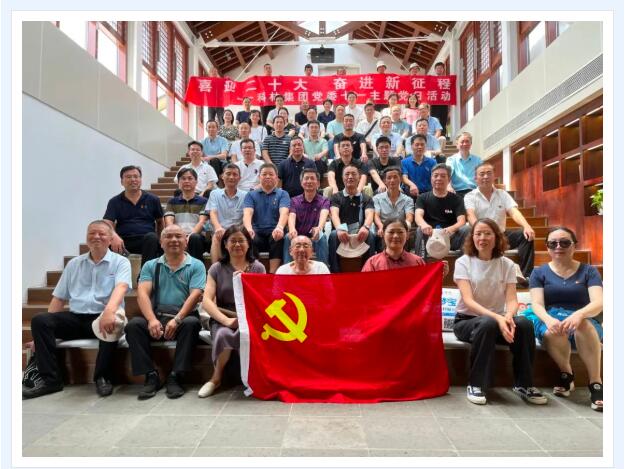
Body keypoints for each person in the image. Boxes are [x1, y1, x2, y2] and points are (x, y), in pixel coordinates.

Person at [23, 221, 131, 399]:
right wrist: (40, 337)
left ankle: (103, 377)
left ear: (111, 239)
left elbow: (121, 288)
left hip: (103, 316)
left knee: (112, 324)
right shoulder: (74, 264)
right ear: (86, 238)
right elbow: (59, 298)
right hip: (76, 318)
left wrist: (109, 312)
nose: (96, 237)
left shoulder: (121, 262)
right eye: (92, 233)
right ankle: (51, 380)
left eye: (101, 234)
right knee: (40, 320)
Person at [453, 218, 547, 406]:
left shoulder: (507, 264)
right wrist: (498, 318)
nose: (482, 238)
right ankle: (476, 384)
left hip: (497, 322)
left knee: (524, 324)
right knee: (487, 323)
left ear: (497, 237)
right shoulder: (463, 262)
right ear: (472, 238)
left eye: (488, 233)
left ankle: (524, 384)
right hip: (467, 321)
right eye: (478, 234)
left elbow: (512, 300)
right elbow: (469, 301)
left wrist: (508, 317)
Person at [524, 227, 603, 411]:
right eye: (553, 243)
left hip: (585, 321)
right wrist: (547, 319)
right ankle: (566, 374)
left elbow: (599, 302)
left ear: (574, 246)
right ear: (548, 248)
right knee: (553, 329)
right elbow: (537, 304)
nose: (558, 247)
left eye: (565, 242)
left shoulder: (589, 271)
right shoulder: (539, 273)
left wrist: (580, 314)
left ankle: (596, 383)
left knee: (582, 324)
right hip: (552, 320)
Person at [124, 224, 205, 400]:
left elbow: (195, 295)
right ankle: (150, 375)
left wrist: (177, 319)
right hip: (158, 316)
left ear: (186, 241)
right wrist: (152, 320)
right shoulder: (151, 265)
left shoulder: (196, 265)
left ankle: (176, 376)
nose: (174, 240)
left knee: (192, 324)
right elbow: (142, 294)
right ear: (161, 243)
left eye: (178, 236)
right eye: (168, 236)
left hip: (183, 317)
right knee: (133, 326)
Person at [198, 225, 266, 398]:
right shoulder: (216, 268)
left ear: (248, 244)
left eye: (241, 240)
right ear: (225, 245)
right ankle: (216, 378)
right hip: (224, 316)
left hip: (250, 316)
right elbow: (207, 300)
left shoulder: (258, 268)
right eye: (232, 241)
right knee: (223, 334)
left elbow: (262, 298)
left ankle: (260, 377)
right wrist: (226, 321)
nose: (237, 244)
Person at [465, 162, 536, 279]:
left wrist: (527, 226)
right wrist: (482, 231)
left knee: (526, 236)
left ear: (494, 176)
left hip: (500, 236)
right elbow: (470, 215)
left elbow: (514, 212)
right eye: (482, 174)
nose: (485, 176)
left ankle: (525, 276)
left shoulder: (502, 194)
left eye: (489, 173)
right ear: (475, 178)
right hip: (481, 236)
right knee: (467, 234)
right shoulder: (470, 196)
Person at [104, 165, 163, 266]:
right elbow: (107, 222)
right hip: (123, 240)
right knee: (106, 241)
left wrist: (161, 238)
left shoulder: (153, 199)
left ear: (140, 179)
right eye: (128, 177)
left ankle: (145, 273)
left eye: (136, 176)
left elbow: (160, 221)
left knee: (152, 238)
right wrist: (114, 236)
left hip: (147, 239)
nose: (133, 179)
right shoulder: (114, 201)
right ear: (122, 181)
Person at [414, 164, 470, 258]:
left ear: (449, 180)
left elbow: (462, 221)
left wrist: (450, 229)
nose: (439, 178)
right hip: (430, 235)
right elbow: (418, 216)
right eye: (435, 175)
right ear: (431, 178)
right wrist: (424, 225)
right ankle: (421, 263)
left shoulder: (457, 199)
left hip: (449, 236)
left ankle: (464, 263)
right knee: (420, 230)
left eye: (443, 176)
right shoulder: (422, 197)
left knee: (467, 229)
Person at [243, 163, 290, 273]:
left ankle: (272, 274)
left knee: (278, 237)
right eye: (264, 174)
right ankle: (255, 273)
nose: (268, 176)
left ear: (276, 177)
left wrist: (279, 227)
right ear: (259, 177)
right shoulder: (250, 195)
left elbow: (284, 212)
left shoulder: (283, 194)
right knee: (249, 237)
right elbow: (247, 213)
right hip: (257, 232)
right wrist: (249, 229)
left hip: (274, 231)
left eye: (271, 174)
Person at [328, 164, 376, 273]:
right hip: (341, 233)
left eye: (354, 174)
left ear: (359, 178)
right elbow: (334, 214)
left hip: (360, 233)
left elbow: (370, 214)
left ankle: (368, 272)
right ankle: (335, 273)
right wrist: (340, 229)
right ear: (342, 178)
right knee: (333, 235)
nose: (350, 177)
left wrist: (366, 227)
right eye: (347, 174)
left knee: (370, 235)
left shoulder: (366, 198)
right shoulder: (336, 197)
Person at [284, 168, 330, 266]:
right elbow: (291, 216)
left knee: (321, 236)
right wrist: (292, 229)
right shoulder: (294, 200)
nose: (309, 181)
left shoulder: (324, 201)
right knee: (288, 236)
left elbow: (324, 214)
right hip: (297, 236)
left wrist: (319, 228)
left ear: (318, 183)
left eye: (312, 178)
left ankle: (324, 271)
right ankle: (287, 270)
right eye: (306, 178)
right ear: (301, 183)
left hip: (314, 236)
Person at [165, 168, 209, 261]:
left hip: (196, 236)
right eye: (183, 178)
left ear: (196, 182)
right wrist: (179, 236)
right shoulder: (172, 202)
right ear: (178, 182)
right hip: (177, 235)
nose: (186, 181)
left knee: (194, 238)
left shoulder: (204, 201)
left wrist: (188, 237)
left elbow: (202, 222)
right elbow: (169, 222)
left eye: (190, 178)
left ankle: (197, 268)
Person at [206, 163, 247, 263]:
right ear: (222, 176)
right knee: (217, 236)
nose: (231, 177)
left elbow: (247, 216)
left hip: (238, 231)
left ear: (239, 178)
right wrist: (218, 228)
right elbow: (213, 213)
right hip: (220, 230)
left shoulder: (246, 195)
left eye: (235, 174)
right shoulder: (214, 194)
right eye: (228, 174)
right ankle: (215, 269)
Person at [373, 167, 414, 250]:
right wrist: (381, 227)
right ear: (384, 181)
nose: (392, 180)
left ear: (400, 179)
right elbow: (376, 216)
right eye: (389, 178)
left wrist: (404, 228)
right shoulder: (377, 198)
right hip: (384, 229)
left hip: (400, 229)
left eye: (395, 177)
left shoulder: (408, 200)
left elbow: (409, 217)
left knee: (408, 235)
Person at [446, 132, 482, 197]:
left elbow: (482, 176)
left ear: (471, 144)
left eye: (467, 141)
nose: (465, 144)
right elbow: (447, 175)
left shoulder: (478, 160)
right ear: (457, 144)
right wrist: (448, 186)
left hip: (475, 192)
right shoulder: (451, 160)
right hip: (457, 193)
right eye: (462, 142)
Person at [430, 62, 449, 138]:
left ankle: (443, 135)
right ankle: (433, 135)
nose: (439, 69)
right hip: (434, 103)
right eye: (437, 68)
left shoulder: (447, 80)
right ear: (435, 70)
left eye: (441, 68)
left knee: (443, 120)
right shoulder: (432, 80)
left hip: (444, 103)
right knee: (433, 119)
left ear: (443, 69)